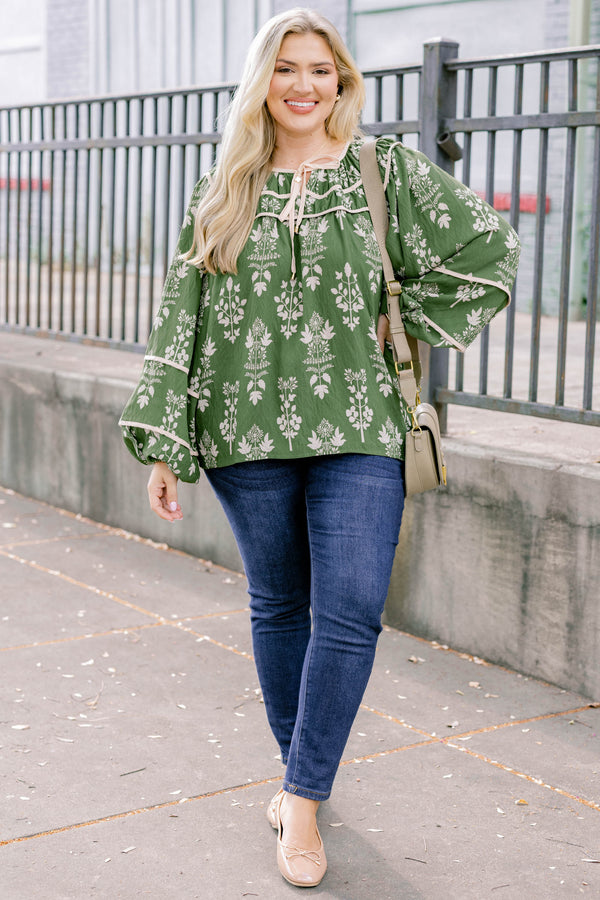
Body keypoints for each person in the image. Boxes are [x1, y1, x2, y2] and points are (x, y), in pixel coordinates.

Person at [120, 7, 519, 888]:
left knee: (348, 609)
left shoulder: (388, 172)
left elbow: (488, 251)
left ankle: (302, 800)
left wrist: (399, 325)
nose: (305, 85)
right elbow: (179, 320)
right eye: (288, 68)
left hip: (360, 426)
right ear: (263, 81)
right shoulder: (222, 186)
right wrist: (164, 442)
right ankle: (304, 774)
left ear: (341, 81)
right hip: (242, 427)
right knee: (278, 607)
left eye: (322, 69)